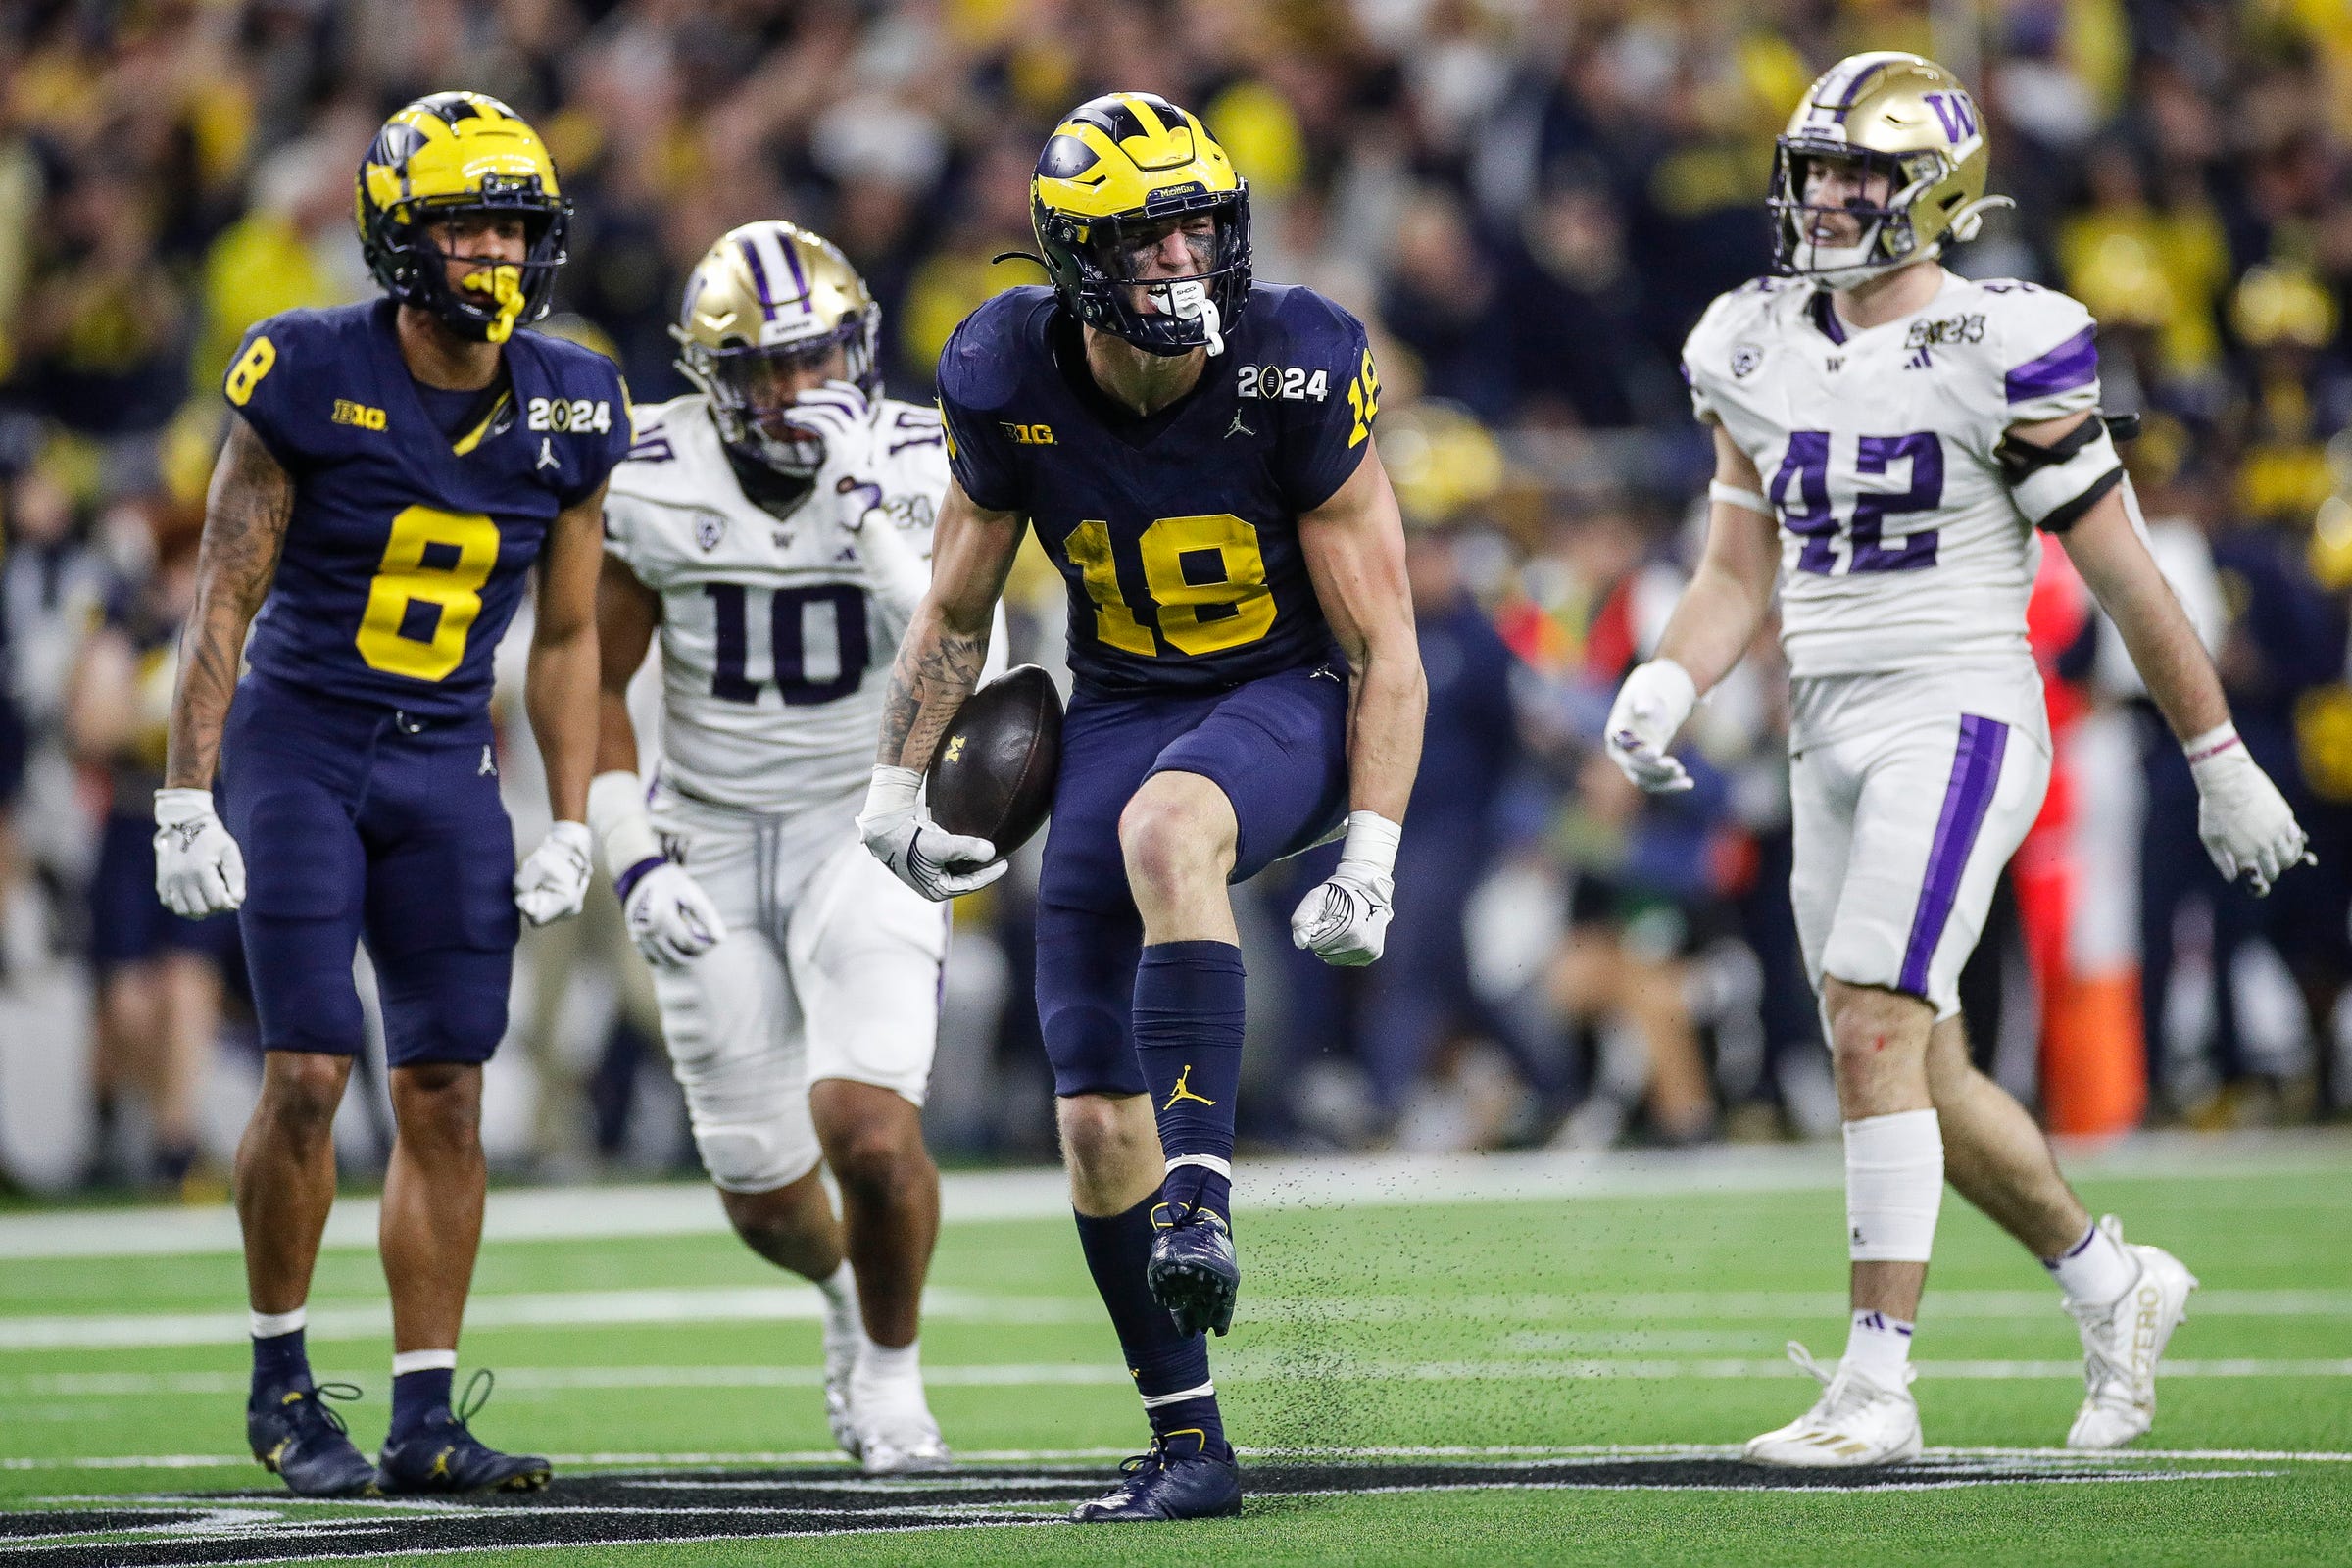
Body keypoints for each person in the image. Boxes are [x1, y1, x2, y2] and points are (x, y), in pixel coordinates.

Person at [1606, 52, 2310, 1465]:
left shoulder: (2005, 339)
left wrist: (2217, 755)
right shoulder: (1746, 337)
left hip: (1961, 706)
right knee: (1914, 1060)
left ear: (1940, 193)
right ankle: (2114, 1283)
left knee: (1873, 1017)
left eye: (1866, 173)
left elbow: (2121, 572)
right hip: (1824, 727)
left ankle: (1877, 1385)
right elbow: (1736, 571)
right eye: (1819, 169)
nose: (1831, 197)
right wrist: (1668, 676)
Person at [859, 92, 1425, 1520]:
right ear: (1074, 258)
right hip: (1115, 705)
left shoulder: (1297, 358)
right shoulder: (1002, 367)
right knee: (1095, 1118)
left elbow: (1386, 643)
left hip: (1283, 691)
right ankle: (1190, 1445)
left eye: (1198, 227)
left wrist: (1373, 846)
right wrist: (890, 787)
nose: (1182, 261)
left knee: (1171, 828)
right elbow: (955, 610)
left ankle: (1205, 1199)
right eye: (1147, 236)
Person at [153, 93, 628, 1496]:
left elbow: (569, 635)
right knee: (307, 1069)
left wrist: (574, 813)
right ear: (395, 233)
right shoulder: (308, 369)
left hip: (445, 762)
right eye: (465, 221)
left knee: (446, 1089)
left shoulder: (574, 399)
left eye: (513, 224)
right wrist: (189, 791)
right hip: (301, 744)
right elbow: (221, 594)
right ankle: (283, 1384)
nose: (492, 249)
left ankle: (427, 1412)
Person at [591, 220, 968, 1472]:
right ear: (713, 380)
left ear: (859, 348)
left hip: (866, 818)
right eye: (767, 369)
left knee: (867, 1126)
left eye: (822, 359)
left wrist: (866, 514)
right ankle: (847, 1296)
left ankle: (895, 1375)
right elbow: (588, 681)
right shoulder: (649, 474)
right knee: (762, 1194)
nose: (801, 393)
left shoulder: (919, 453)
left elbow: (968, 651)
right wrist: (630, 850)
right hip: (705, 833)